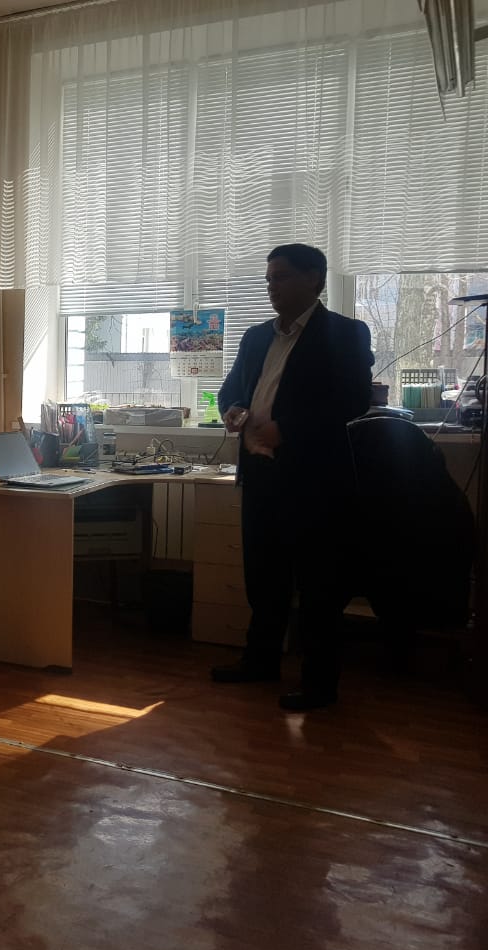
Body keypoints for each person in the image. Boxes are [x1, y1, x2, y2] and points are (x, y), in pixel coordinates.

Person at [210, 243, 374, 711]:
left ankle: (319, 684)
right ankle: (260, 661)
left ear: (314, 279)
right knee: (264, 578)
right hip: (261, 474)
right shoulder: (255, 337)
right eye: (268, 279)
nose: (271, 287)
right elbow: (230, 390)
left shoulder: (345, 333)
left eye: (280, 277)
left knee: (319, 586)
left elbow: (353, 400)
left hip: (315, 482)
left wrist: (288, 429)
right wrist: (233, 409)